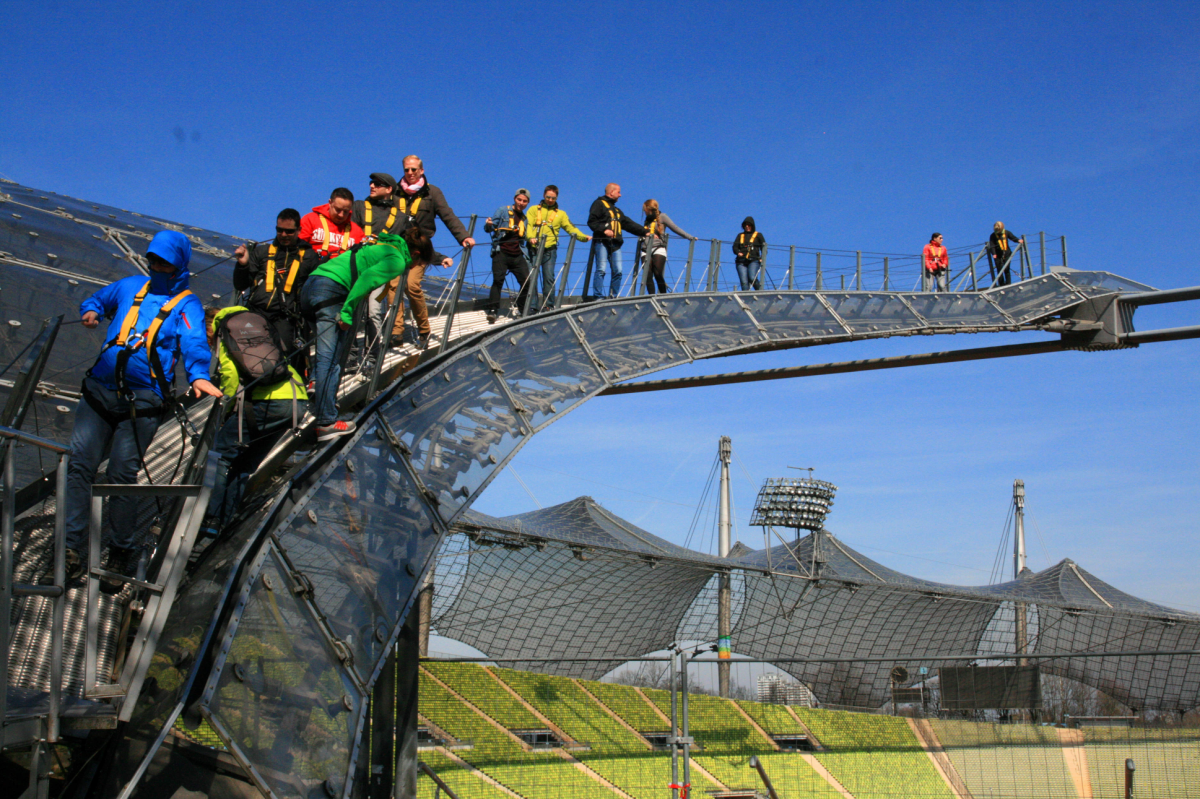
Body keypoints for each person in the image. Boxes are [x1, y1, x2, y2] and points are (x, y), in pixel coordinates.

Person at [63, 231, 222, 588]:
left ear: (179, 264)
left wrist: (197, 375)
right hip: (99, 393)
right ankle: (72, 552)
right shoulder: (131, 286)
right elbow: (98, 299)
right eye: (153, 260)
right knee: (80, 468)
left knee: (121, 475)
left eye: (164, 261)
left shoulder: (187, 305)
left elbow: (194, 340)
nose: (156, 266)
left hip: (143, 403)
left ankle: (120, 549)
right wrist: (90, 310)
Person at [299, 231, 414, 440]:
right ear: (414, 254)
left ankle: (320, 392)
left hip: (311, 284)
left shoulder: (374, 245)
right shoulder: (397, 259)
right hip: (332, 289)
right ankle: (326, 421)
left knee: (326, 351)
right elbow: (366, 279)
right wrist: (347, 312)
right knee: (332, 358)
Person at [205, 305, 309, 530]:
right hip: (296, 398)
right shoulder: (257, 326)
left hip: (268, 402)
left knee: (220, 455)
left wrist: (227, 409)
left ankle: (209, 517)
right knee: (246, 463)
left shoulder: (226, 331)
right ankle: (224, 521)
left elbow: (231, 377)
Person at [232, 208, 318, 373]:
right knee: (250, 357)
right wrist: (242, 265)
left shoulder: (309, 257)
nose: (284, 235)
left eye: (289, 231)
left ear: (299, 231)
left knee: (283, 359)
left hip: (285, 319)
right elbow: (241, 285)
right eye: (280, 230)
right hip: (257, 313)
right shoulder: (261, 252)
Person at [524, 185, 590, 311]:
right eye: (548, 197)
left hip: (550, 249)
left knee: (549, 277)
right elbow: (529, 225)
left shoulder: (561, 214)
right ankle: (532, 306)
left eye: (553, 198)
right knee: (532, 277)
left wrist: (583, 237)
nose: (550, 200)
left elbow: (570, 228)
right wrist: (531, 237)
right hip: (533, 248)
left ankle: (548, 305)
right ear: (544, 195)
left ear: (556, 198)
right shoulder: (533, 210)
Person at [586, 183, 645, 299]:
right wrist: (604, 230)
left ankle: (613, 296)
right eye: (618, 192)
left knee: (618, 270)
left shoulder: (617, 211)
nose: (620, 195)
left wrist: (645, 232)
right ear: (611, 192)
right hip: (602, 242)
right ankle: (598, 296)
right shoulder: (598, 204)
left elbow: (628, 224)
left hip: (615, 244)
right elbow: (592, 222)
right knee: (601, 269)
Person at [483, 189, 532, 323]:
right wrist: (488, 224)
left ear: (527, 203)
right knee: (498, 280)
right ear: (515, 199)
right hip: (501, 252)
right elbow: (489, 228)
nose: (521, 203)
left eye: (524, 201)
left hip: (517, 254)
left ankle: (523, 310)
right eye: (519, 200)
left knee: (526, 282)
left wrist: (532, 239)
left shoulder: (524, 218)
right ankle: (493, 310)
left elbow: (523, 236)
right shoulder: (502, 211)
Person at [640, 199, 697, 295]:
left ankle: (663, 295)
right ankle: (650, 296)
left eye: (644, 209)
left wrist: (689, 237)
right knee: (647, 275)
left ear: (648, 208)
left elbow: (675, 228)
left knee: (657, 273)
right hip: (645, 249)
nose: (644, 211)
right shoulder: (647, 221)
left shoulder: (662, 217)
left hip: (658, 248)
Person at [299, 187, 364, 260]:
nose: (341, 215)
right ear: (330, 203)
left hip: (343, 269)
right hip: (314, 267)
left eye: (346, 211)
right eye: (338, 210)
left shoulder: (357, 231)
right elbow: (297, 246)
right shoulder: (310, 220)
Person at [732, 217, 766, 291]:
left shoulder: (758, 235)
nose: (747, 227)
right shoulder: (740, 235)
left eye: (749, 225)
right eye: (745, 225)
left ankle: (760, 292)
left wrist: (762, 257)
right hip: (741, 261)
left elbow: (764, 248)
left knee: (752, 277)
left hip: (754, 260)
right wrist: (738, 252)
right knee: (744, 282)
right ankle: (746, 297)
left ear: (752, 225)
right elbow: (734, 247)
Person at [989, 221, 1024, 287]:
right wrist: (993, 253)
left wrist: (1018, 240)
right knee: (999, 269)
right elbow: (992, 246)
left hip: (1007, 253)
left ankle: (1008, 284)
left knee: (1007, 269)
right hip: (997, 255)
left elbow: (1012, 237)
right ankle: (1001, 284)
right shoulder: (993, 235)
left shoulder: (1006, 232)